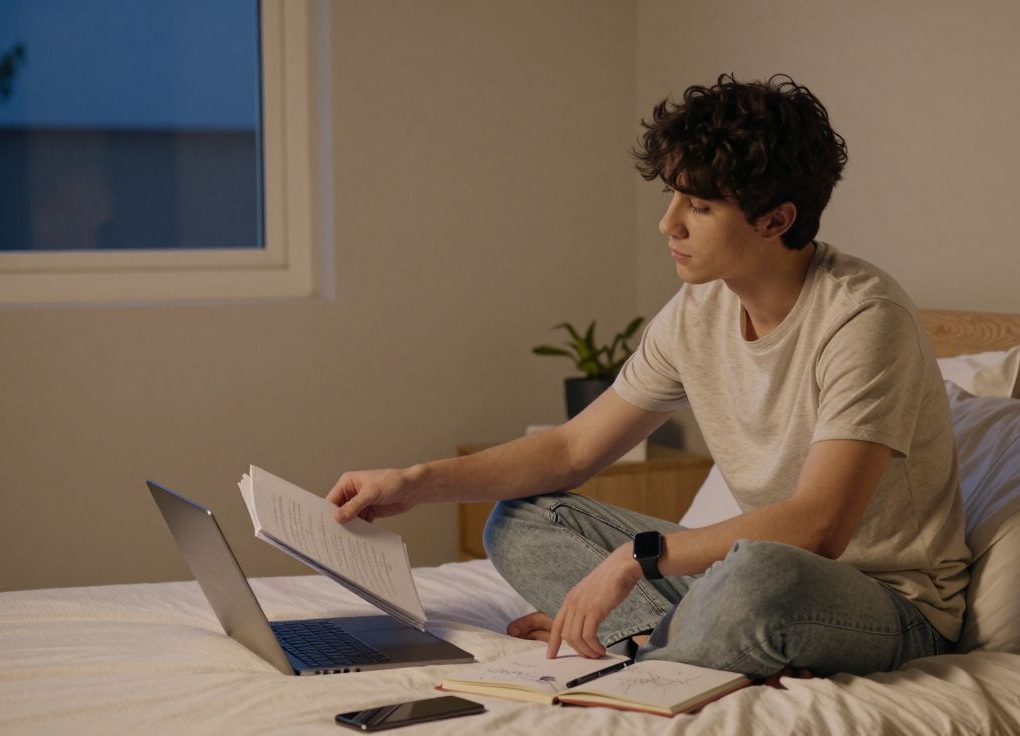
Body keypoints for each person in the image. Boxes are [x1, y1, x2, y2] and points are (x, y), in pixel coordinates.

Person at [327, 73, 970, 681]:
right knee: (519, 518)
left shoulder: (863, 318)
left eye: (699, 206)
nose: (669, 223)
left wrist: (636, 558)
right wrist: (414, 483)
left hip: (884, 603)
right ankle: (687, 634)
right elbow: (572, 450)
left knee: (761, 578)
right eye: (673, 197)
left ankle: (646, 640)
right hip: (744, 575)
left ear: (776, 220)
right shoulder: (700, 309)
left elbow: (818, 527)